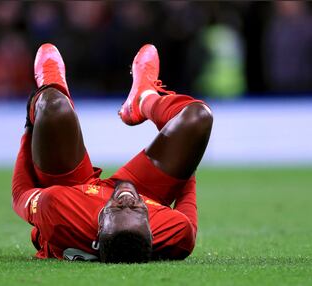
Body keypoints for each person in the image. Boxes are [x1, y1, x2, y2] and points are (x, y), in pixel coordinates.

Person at [12, 43, 213, 263]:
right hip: (148, 193)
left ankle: (51, 84)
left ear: (100, 225)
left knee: (53, 107)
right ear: (151, 229)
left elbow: (20, 193)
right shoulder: (174, 233)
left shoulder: (58, 210)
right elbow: (186, 219)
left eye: (117, 208)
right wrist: (186, 159)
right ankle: (145, 99)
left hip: (74, 189)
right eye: (137, 210)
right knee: (199, 118)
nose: (126, 199)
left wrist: (29, 125)